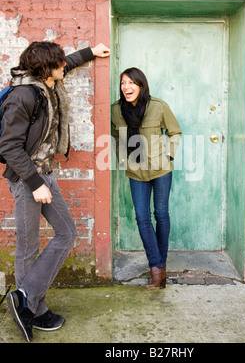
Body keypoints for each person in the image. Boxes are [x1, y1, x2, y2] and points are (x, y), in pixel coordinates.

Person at [0, 40, 110, 342]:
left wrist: (90, 53)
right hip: (27, 179)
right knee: (28, 247)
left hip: (44, 173)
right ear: (45, 68)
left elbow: (67, 64)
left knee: (66, 232)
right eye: (58, 62)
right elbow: (8, 146)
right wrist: (35, 185)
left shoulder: (46, 82)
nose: (64, 65)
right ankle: (33, 308)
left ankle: (25, 299)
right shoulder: (23, 95)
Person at [111, 67, 181, 290]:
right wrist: (123, 157)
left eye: (132, 83)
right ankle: (157, 267)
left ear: (141, 86)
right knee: (142, 217)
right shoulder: (116, 110)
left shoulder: (158, 106)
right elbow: (115, 134)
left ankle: (160, 267)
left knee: (161, 214)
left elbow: (175, 132)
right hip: (135, 170)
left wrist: (168, 155)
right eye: (123, 83)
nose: (126, 87)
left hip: (161, 170)